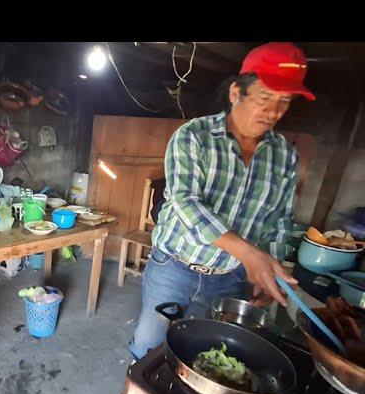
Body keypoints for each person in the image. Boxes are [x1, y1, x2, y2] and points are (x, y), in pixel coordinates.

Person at [129, 42, 316, 360]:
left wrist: (269, 267)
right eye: (264, 98)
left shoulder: (284, 156)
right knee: (150, 347)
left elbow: (280, 221)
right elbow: (185, 201)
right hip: (174, 268)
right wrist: (249, 254)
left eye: (284, 101)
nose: (274, 111)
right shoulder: (193, 137)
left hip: (230, 278)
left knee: (204, 355)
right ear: (235, 93)